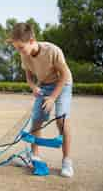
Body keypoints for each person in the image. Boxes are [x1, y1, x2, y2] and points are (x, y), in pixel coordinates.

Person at [8, 23, 74, 177]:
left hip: (62, 84)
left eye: (21, 47)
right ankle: (35, 156)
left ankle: (67, 161)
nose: (19, 51)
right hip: (44, 85)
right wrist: (33, 87)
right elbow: (29, 76)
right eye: (17, 48)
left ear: (32, 40)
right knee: (37, 119)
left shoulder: (52, 51)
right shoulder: (24, 54)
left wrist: (52, 98)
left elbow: (64, 75)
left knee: (61, 119)